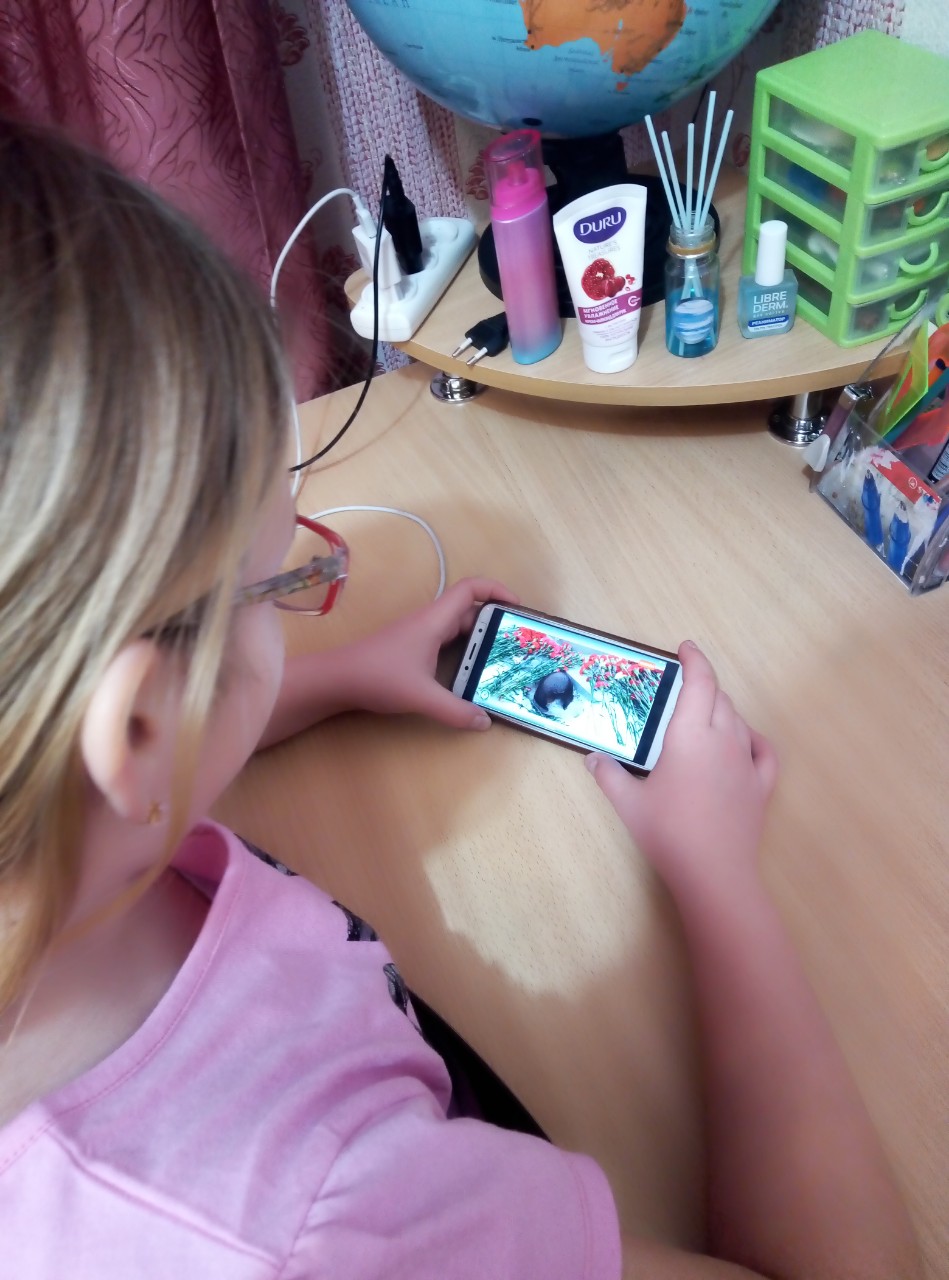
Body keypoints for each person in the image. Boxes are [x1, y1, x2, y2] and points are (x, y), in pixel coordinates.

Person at [0, 117, 921, 1280]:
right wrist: (715, 871)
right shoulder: (333, 1227)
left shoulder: (52, 841)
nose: (301, 602)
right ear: (138, 726)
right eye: (279, 583)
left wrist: (338, 677)